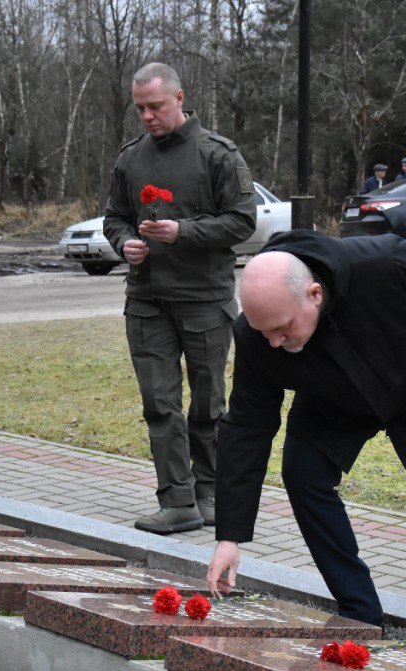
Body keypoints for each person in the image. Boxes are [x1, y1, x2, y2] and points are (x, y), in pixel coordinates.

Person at [206, 231, 406, 626]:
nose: (274, 342)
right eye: (264, 331)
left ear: (314, 293)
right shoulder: (259, 336)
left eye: (282, 327)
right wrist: (230, 535)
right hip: (332, 397)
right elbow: (246, 427)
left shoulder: (387, 264)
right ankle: (359, 609)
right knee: (303, 474)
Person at [103, 63, 257, 534]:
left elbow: (242, 221)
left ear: (179, 98)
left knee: (208, 404)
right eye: (140, 108)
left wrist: (182, 231)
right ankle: (178, 501)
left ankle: (210, 493)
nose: (147, 116)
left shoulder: (218, 155)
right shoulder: (130, 159)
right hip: (147, 300)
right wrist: (123, 242)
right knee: (160, 404)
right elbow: (114, 217)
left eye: (156, 106)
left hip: (205, 301)